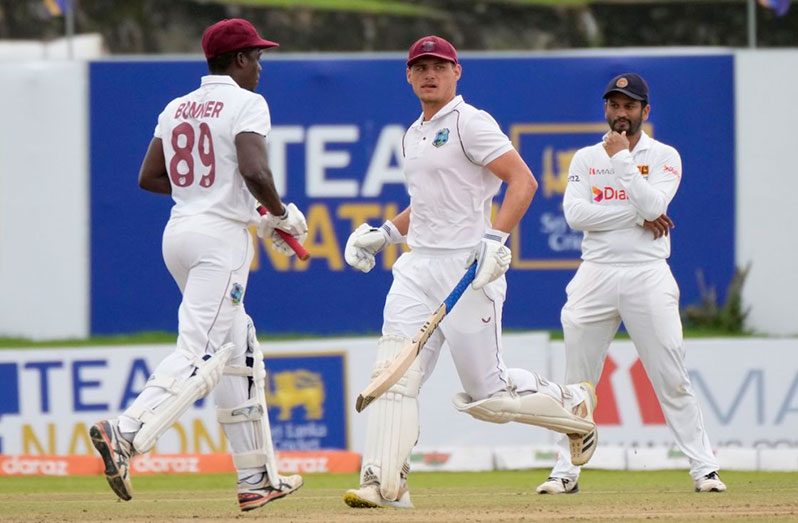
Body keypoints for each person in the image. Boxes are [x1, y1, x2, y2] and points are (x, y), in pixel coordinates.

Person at [342, 35, 599, 509]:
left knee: (489, 399)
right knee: (394, 374)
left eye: (439, 66)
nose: (429, 74)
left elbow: (523, 181)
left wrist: (495, 240)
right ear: (408, 76)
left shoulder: (470, 123)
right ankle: (385, 484)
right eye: (420, 67)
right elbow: (426, 206)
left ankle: (570, 401)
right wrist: (385, 235)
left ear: (456, 71)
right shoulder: (411, 133)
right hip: (417, 268)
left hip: (468, 269)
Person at [89, 18, 307, 511]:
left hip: (180, 234)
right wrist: (279, 214)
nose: (260, 68)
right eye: (256, 58)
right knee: (202, 352)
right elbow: (253, 169)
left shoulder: (176, 107)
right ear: (237, 60)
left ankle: (256, 478)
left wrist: (213, 196)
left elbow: (150, 176)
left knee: (239, 351)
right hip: (219, 243)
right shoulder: (247, 102)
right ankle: (126, 431)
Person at [535, 73, 726, 495]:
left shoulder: (664, 156)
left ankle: (704, 468)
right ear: (606, 109)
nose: (620, 114)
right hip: (595, 272)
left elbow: (657, 204)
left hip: (647, 273)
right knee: (576, 382)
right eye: (614, 105)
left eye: (629, 106)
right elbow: (576, 216)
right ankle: (565, 470)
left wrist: (623, 163)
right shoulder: (585, 158)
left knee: (671, 375)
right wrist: (636, 213)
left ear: (645, 111)